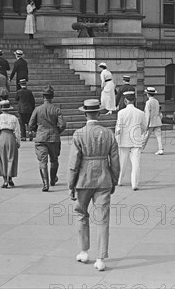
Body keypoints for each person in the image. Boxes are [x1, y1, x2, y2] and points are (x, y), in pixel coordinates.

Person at [68, 99, 120, 272]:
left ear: (85, 114)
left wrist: (71, 184)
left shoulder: (78, 134)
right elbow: (115, 160)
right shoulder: (108, 133)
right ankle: (101, 258)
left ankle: (83, 251)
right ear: (99, 113)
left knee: (81, 213)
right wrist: (114, 179)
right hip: (104, 178)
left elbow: (73, 163)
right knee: (103, 218)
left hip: (83, 179)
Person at [29, 85, 66, 192]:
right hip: (54, 138)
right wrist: (57, 131)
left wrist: (38, 131)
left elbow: (31, 124)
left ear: (43, 96)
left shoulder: (37, 109)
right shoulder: (56, 109)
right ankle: (53, 179)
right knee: (54, 160)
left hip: (41, 138)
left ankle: (45, 184)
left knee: (42, 161)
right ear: (52, 96)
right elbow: (62, 124)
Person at [115, 91, 146, 191]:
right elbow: (144, 127)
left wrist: (117, 139)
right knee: (136, 162)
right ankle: (134, 183)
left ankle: (119, 180)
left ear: (125, 101)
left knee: (122, 162)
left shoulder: (121, 113)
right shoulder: (141, 113)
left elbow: (118, 128)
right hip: (136, 139)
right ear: (134, 100)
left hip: (124, 140)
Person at [0, 100, 21, 189]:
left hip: (1, 137)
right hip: (11, 137)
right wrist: (18, 141)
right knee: (11, 158)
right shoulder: (14, 118)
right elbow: (17, 131)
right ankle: (10, 177)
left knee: (1, 159)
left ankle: (5, 180)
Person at [142, 86, 164, 155]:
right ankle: (161, 149)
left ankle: (140, 148)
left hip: (150, 122)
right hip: (157, 121)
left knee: (145, 136)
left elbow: (147, 114)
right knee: (159, 136)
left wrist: (146, 124)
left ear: (148, 94)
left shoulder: (148, 102)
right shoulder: (157, 101)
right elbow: (159, 112)